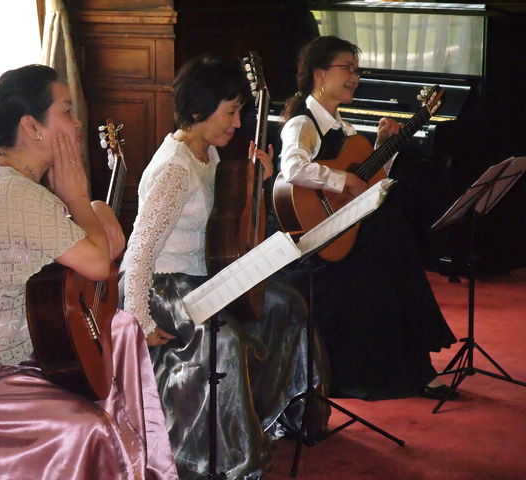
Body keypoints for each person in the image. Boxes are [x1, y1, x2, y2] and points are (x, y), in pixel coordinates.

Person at [0, 64, 178, 480]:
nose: (77, 122)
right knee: (86, 427)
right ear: (32, 126)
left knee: (121, 327)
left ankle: (133, 463)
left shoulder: (3, 175)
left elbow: (104, 244)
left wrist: (90, 208)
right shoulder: (10, 191)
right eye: (67, 111)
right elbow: (98, 263)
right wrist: (78, 196)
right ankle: (110, 450)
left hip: (6, 347)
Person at [119, 55, 321, 479]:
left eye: (239, 112)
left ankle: (282, 416)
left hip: (203, 277)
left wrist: (258, 183)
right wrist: (139, 318)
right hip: (163, 286)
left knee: (287, 304)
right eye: (230, 112)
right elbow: (138, 252)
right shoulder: (174, 169)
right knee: (224, 340)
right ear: (198, 110)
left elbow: (227, 222)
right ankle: (229, 460)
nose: (237, 123)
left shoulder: (209, 152)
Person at [275, 35, 457, 400]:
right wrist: (342, 180)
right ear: (320, 74)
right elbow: (293, 168)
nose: (355, 78)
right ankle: (415, 365)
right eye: (348, 69)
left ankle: (414, 363)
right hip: (316, 239)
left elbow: (366, 184)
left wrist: (382, 149)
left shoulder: (343, 127)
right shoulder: (303, 123)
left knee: (393, 234)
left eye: (357, 71)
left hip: (344, 231)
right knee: (392, 234)